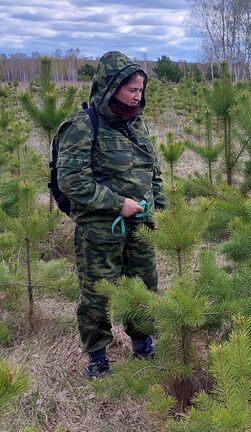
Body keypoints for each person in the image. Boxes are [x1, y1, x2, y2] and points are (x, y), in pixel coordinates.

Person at [57, 51, 165, 378]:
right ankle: (98, 359)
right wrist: (118, 203)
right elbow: (72, 180)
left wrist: (157, 201)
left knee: (144, 285)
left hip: (141, 224)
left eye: (141, 89)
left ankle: (143, 344)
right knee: (99, 292)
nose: (137, 96)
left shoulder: (137, 123)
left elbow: (151, 168)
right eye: (131, 89)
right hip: (101, 228)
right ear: (109, 86)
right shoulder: (82, 126)